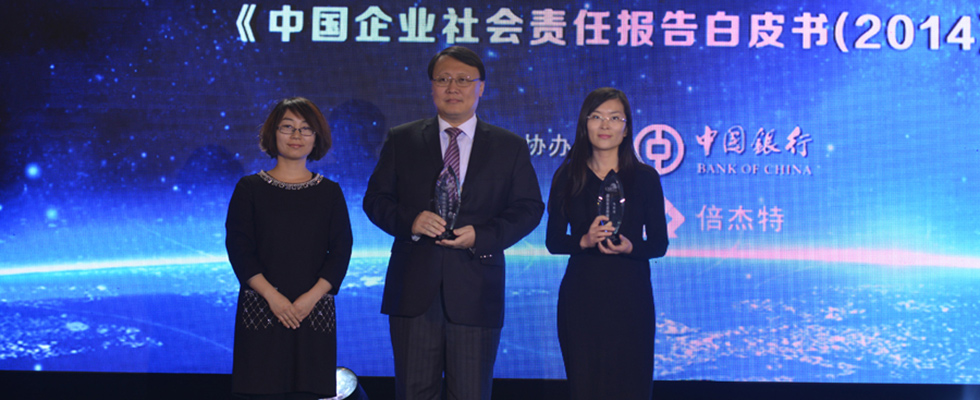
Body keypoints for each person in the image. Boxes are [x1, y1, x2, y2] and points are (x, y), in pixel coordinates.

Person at [363, 46, 544, 400]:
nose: (452, 87)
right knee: (413, 392)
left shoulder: (509, 146)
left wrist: (482, 235)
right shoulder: (403, 140)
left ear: (481, 87)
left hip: (477, 290)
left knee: (470, 393)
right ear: (431, 87)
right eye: (443, 79)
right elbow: (375, 200)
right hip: (414, 289)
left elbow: (529, 208)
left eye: (463, 80)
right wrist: (412, 220)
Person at [545, 87, 669, 399]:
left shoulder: (645, 177)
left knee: (631, 386)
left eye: (615, 118)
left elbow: (659, 244)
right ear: (584, 124)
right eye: (596, 117)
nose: (605, 125)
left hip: (631, 298)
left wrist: (631, 247)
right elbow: (553, 241)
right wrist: (584, 240)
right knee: (585, 386)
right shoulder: (567, 176)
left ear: (626, 128)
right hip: (582, 297)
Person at [225, 97, 353, 400]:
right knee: (260, 390)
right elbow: (239, 249)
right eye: (287, 127)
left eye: (306, 128)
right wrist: (274, 298)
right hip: (260, 310)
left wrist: (309, 299)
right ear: (273, 133)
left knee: (308, 392)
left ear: (316, 137)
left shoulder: (330, 192)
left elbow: (341, 251)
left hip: (313, 311)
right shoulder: (249, 188)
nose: (297, 135)